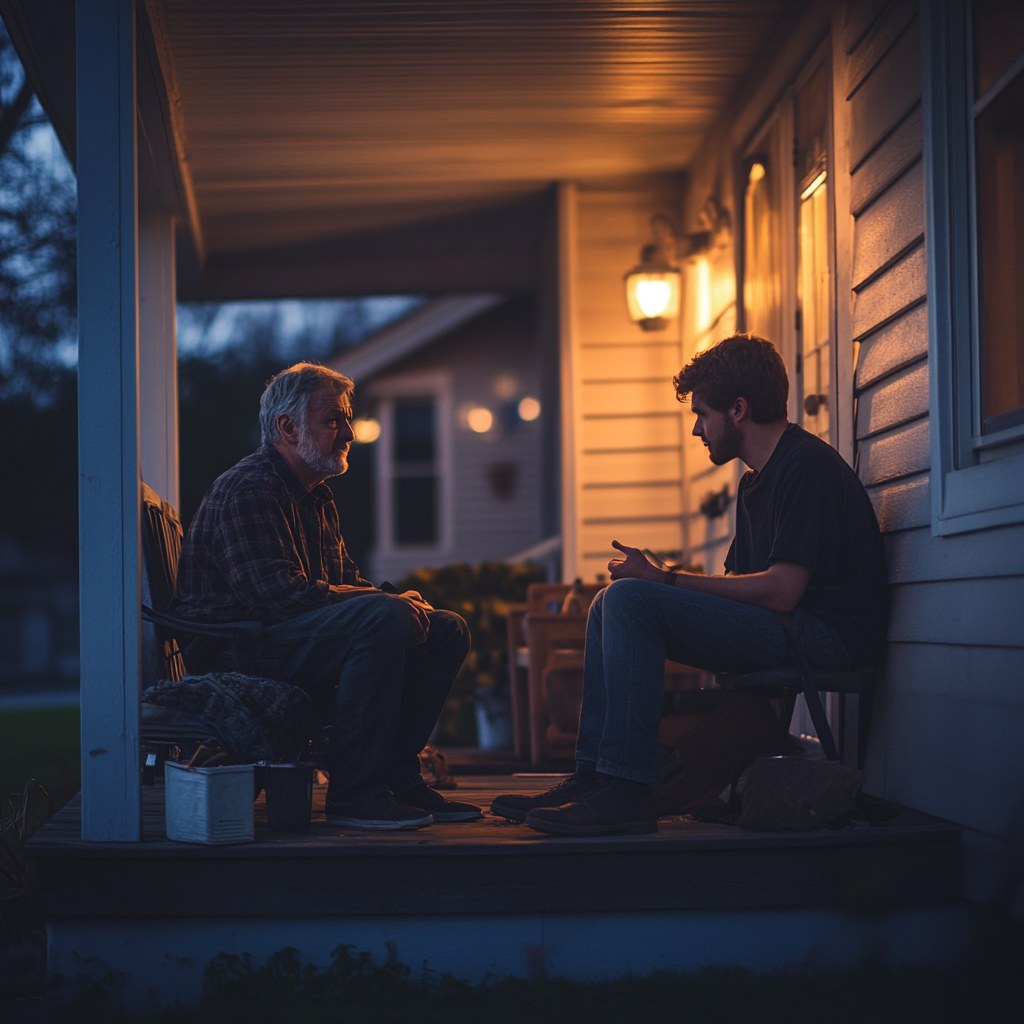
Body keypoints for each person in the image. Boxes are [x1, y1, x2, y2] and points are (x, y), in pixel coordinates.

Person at [492, 334, 888, 837]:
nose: (697, 429)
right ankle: (594, 778)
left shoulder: (805, 466)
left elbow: (783, 591)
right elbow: (741, 587)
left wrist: (664, 581)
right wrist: (662, 586)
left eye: (702, 414)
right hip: (784, 626)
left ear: (738, 409)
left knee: (633, 600)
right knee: (609, 602)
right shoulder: (754, 481)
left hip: (824, 635)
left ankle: (627, 791)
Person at [170, 362, 480, 830]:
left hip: (284, 637)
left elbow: (343, 580)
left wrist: (400, 601)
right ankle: (356, 793)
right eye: (333, 420)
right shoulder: (249, 488)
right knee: (379, 618)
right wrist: (380, 607)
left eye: (346, 420)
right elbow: (276, 596)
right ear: (288, 428)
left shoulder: (314, 496)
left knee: (445, 629)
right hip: (238, 651)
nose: (349, 433)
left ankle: (397, 776)